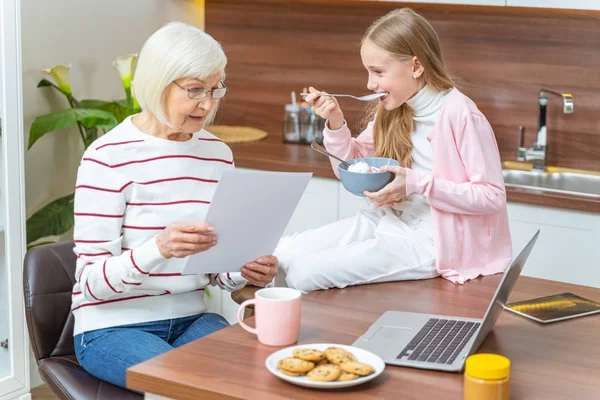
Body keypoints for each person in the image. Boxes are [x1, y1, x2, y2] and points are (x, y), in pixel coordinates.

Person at [71, 22, 278, 391]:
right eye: (195, 90)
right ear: (156, 82)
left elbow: (216, 274)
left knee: (260, 374)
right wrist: (158, 248)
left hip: (193, 317)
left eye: (215, 90)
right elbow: (90, 285)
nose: (207, 104)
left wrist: (244, 269)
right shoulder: (107, 158)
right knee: (194, 386)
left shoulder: (217, 154)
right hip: (110, 326)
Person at [276, 8, 511, 293]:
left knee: (303, 273)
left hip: (434, 240)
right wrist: (336, 123)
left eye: (377, 72)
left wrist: (415, 183)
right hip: (391, 220)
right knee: (283, 252)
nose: (369, 84)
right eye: (368, 71)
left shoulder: (461, 115)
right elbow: (347, 168)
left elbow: (492, 196)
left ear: (415, 66)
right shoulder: (393, 108)